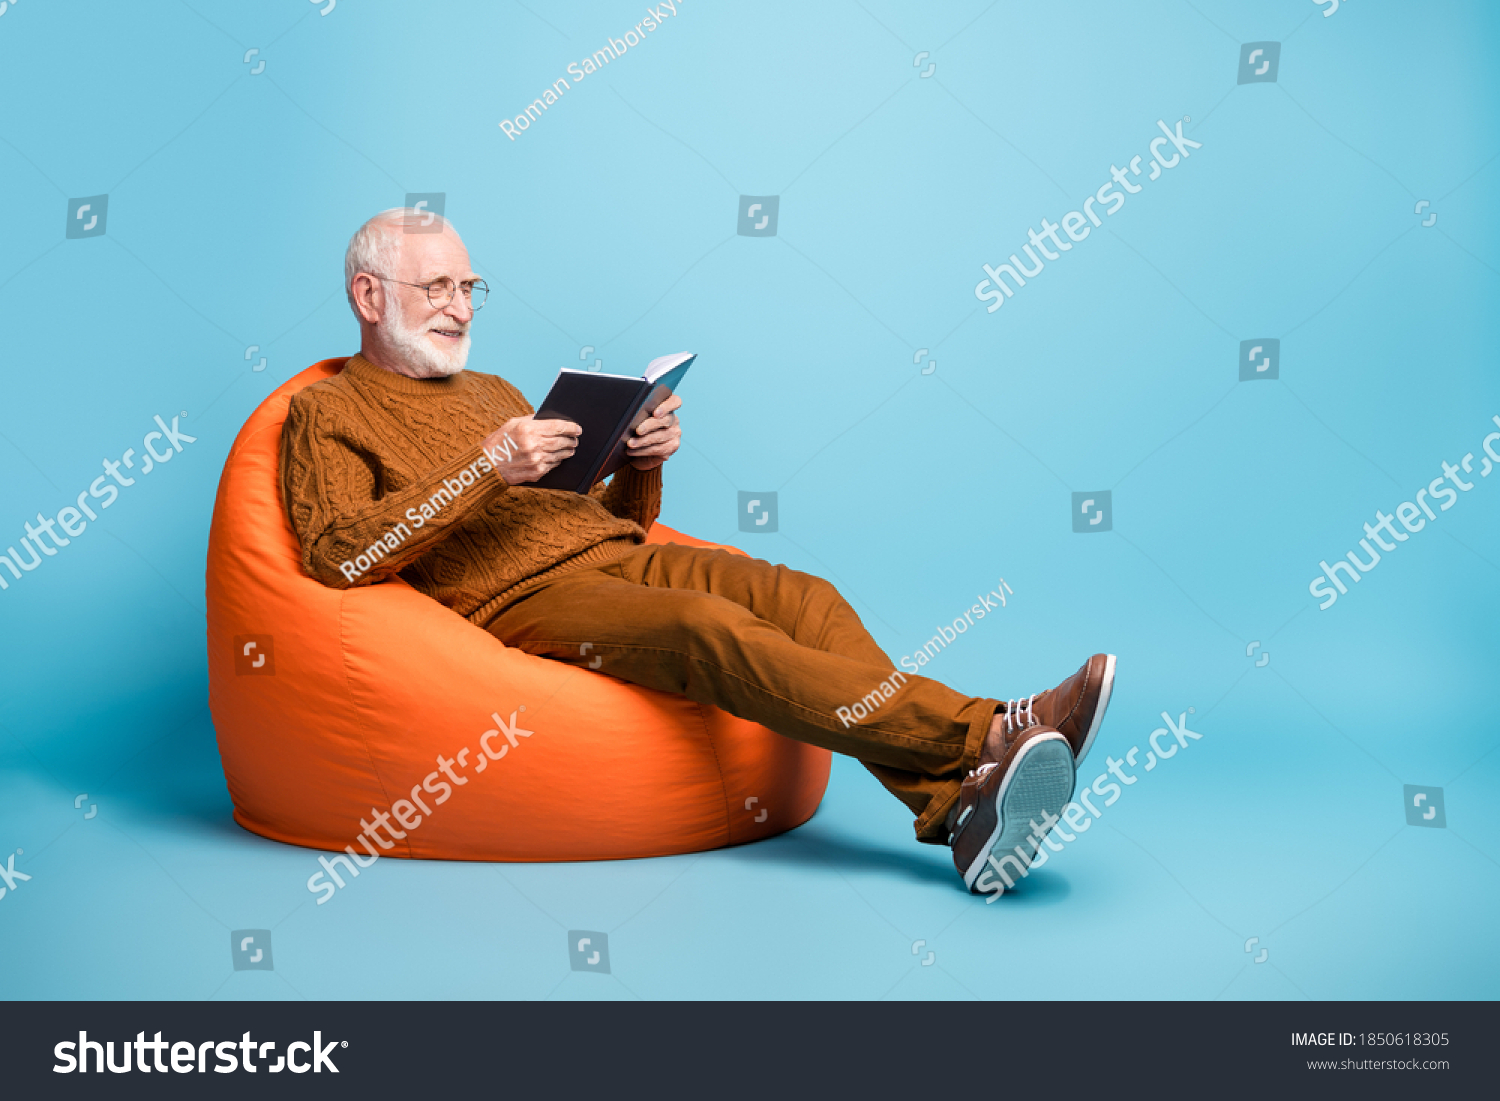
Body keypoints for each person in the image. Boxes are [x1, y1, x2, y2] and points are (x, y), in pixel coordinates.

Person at [279, 208, 1117, 896]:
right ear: (368, 294)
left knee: (804, 597)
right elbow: (335, 554)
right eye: (437, 287)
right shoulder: (328, 412)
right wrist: (485, 466)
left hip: (614, 552)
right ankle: (991, 730)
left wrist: (639, 462)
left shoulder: (490, 390)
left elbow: (594, 517)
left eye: (470, 287)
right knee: (708, 630)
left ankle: (956, 809)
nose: (461, 308)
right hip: (526, 598)